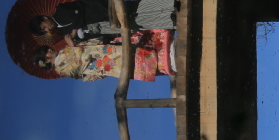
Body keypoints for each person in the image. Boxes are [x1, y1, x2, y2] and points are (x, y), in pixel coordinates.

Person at [34, 30, 175, 82]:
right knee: (133, 62)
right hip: (101, 63)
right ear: (46, 58)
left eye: (47, 49)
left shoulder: (64, 51)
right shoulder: (60, 69)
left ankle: (167, 52)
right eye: (46, 52)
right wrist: (72, 47)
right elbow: (77, 68)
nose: (50, 50)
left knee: (133, 51)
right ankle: (167, 63)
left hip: (103, 52)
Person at [28, 0, 176, 45]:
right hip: (106, 28)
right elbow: (84, 39)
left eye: (43, 26)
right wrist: (74, 43)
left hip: (105, 10)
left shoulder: (61, 9)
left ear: (45, 18)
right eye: (44, 31)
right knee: (140, 23)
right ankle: (174, 20)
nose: (47, 29)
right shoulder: (63, 34)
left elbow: (79, 10)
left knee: (139, 7)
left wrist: (74, 28)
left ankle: (174, 2)